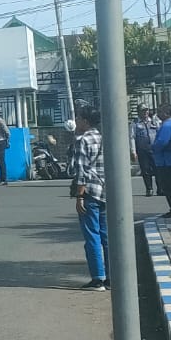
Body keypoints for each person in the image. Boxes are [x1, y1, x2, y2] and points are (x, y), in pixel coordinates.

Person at [69, 102, 109, 290]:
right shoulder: (103, 138)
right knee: (105, 236)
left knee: (92, 236)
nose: (76, 121)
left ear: (85, 121)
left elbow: (81, 171)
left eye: (78, 118)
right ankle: (111, 276)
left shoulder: (83, 140)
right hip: (105, 192)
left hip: (90, 192)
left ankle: (97, 278)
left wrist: (79, 197)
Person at [131, 108, 159, 197]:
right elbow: (132, 137)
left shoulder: (154, 121)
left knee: (158, 169)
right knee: (145, 170)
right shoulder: (135, 123)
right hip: (142, 150)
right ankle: (149, 189)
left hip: (154, 149)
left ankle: (160, 188)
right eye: (143, 111)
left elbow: (159, 131)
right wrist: (133, 151)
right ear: (139, 112)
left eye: (146, 110)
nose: (145, 112)